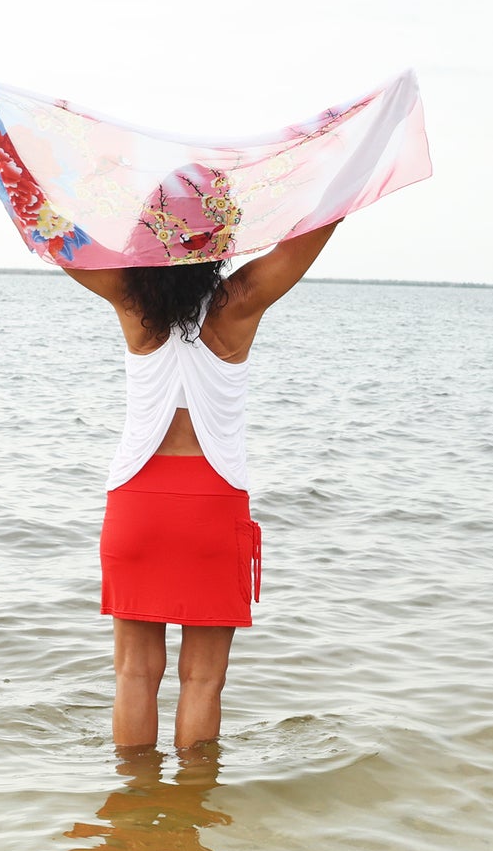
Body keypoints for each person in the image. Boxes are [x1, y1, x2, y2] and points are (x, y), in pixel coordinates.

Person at [68, 220, 342, 752]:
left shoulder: (131, 298)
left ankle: (134, 812)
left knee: (133, 674)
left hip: (137, 500)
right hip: (212, 503)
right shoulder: (239, 301)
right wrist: (356, 147)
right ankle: (189, 814)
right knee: (203, 680)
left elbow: (52, 230)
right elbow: (310, 232)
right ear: (220, 240)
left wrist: (0, 147)